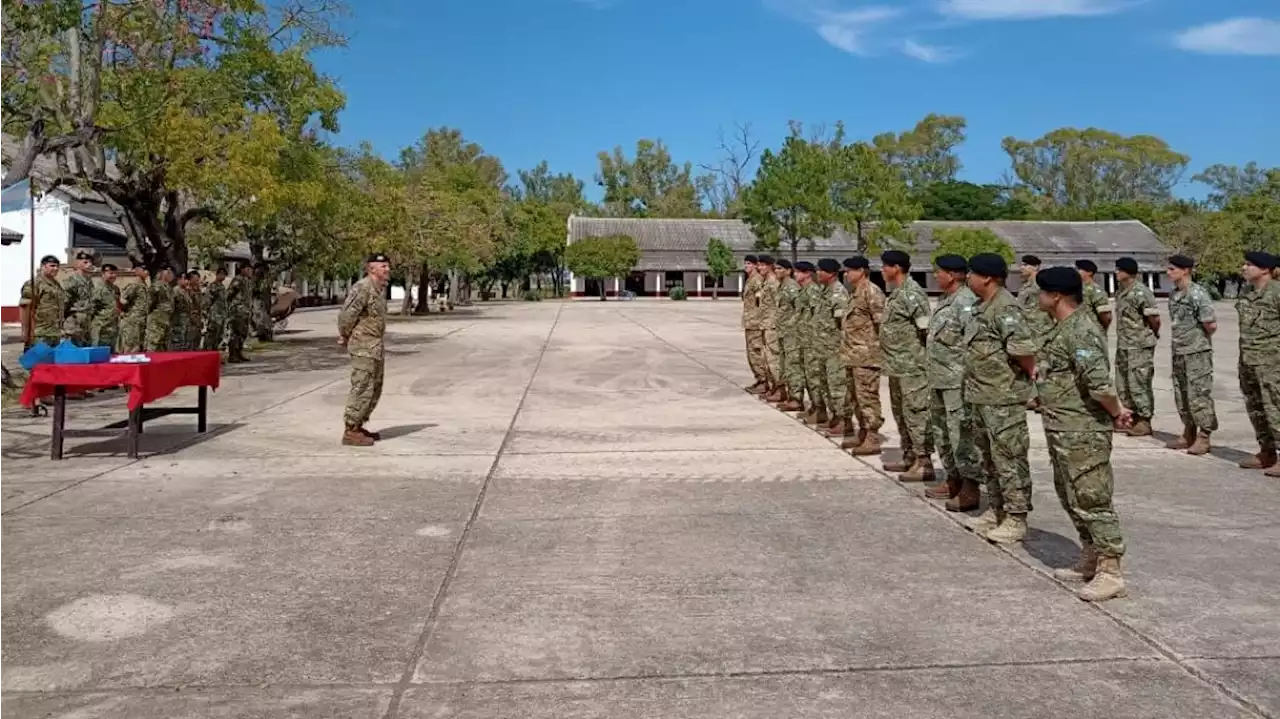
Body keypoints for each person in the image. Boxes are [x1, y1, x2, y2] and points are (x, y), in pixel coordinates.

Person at [1034, 266, 1131, 602]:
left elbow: (1100, 385)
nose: (1038, 297)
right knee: (1070, 496)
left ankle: (1111, 571)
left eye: (1042, 291)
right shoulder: (1059, 328)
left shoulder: (1081, 330)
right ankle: (1091, 556)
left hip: (1083, 430)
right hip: (1062, 426)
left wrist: (1117, 412)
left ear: (1056, 295)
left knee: (1093, 499)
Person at [964, 253, 1038, 544]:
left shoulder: (1006, 308)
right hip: (981, 395)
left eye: (972, 274)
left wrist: (1024, 387)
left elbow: (1024, 353)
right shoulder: (980, 307)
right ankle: (997, 509)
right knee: (990, 458)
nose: (968, 278)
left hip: (1003, 399)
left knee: (1009, 458)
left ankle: (1016, 517)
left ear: (988, 278)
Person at [924, 255, 982, 510]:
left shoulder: (966, 302)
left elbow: (974, 345)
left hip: (957, 381)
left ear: (952, 275)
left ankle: (970, 487)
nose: (936, 276)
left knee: (961, 435)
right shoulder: (946, 300)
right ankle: (953, 479)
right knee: (942, 432)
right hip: (938, 378)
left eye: (939, 272)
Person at [879, 250, 934, 481]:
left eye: (885, 266)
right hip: (896, 367)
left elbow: (926, 330)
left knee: (916, 414)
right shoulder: (896, 293)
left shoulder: (912, 294)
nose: (882, 271)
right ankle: (909, 456)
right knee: (901, 414)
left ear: (896, 268)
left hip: (912, 367)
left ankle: (924, 462)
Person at [1165, 254, 1217, 455]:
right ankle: (1189, 430)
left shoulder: (1198, 294)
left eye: (1172, 269)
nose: (1168, 272)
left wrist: (1198, 340)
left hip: (1197, 351)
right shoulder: (1174, 294)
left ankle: (1204, 435)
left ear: (1185, 270)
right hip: (1179, 350)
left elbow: (1210, 324)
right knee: (1181, 393)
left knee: (1199, 394)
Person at [338, 253, 390, 446]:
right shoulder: (363, 287)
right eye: (382, 266)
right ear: (371, 268)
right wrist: (344, 334)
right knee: (362, 386)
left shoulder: (378, 289)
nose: (387, 269)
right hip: (362, 346)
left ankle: (358, 424)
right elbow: (347, 315)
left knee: (375, 387)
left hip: (374, 346)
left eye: (387, 266)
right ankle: (350, 430)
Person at [1235, 251, 1280, 475]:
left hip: (1272, 361)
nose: (1244, 267)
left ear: (1265, 269)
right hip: (1248, 359)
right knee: (1256, 408)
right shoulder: (1245, 292)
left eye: (1249, 264)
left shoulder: (1277, 293)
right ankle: (1267, 451)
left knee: (1276, 408)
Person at [839, 256, 886, 454]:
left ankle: (873, 436)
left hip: (867, 356)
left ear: (861, 271)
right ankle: (863, 432)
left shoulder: (871, 292)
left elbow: (881, 324)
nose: (846, 273)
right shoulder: (855, 292)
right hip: (853, 355)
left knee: (867, 397)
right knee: (855, 397)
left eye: (849, 270)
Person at [1113, 257, 1160, 437]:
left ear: (1127, 272)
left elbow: (1154, 319)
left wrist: (1151, 334)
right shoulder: (1121, 292)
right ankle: (1129, 418)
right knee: (1123, 383)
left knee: (1139, 383)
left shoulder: (1141, 292)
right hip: (1125, 344)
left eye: (1119, 270)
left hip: (1139, 345)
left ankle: (1144, 420)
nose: (1116, 273)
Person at [813, 258, 848, 437]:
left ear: (832, 273)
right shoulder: (824, 292)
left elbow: (843, 325)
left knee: (837, 387)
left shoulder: (838, 294)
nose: (818, 273)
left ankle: (844, 421)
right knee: (826, 386)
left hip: (834, 349)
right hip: (822, 347)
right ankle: (834, 417)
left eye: (821, 270)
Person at [795, 261, 828, 426]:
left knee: (814, 377)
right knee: (808, 376)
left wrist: (816, 338)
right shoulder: (804, 291)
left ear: (807, 273)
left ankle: (820, 409)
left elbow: (817, 316)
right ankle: (815, 407)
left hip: (812, 340)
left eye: (798, 272)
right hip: (804, 338)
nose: (795, 275)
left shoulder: (813, 291)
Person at [774, 259, 804, 409]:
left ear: (788, 271)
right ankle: (787, 393)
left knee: (793, 365)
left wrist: (790, 325)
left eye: (780, 268)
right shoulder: (782, 286)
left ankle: (796, 398)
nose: (776, 271)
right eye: (776, 268)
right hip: (783, 332)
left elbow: (799, 309)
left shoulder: (792, 287)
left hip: (791, 333)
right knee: (784, 364)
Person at [20, 255, 67, 349]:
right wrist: (25, 331)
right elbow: (25, 307)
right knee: (38, 362)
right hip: (39, 333)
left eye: (57, 266)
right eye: (52, 266)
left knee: (51, 362)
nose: (56, 269)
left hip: (54, 333)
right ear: (43, 266)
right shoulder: (34, 283)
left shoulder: (57, 285)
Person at [758, 255, 783, 401]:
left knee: (774, 360)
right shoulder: (766, 282)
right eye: (759, 265)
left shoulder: (773, 283)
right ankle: (773, 387)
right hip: (765, 325)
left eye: (763, 265)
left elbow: (779, 305)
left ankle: (780, 389)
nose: (759, 268)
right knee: (767, 359)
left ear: (770, 266)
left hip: (772, 326)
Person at [1075, 259, 1113, 350]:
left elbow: (1106, 317)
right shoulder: (1077, 289)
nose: (1077, 271)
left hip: (1094, 336)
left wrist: (1100, 329)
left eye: (1080, 269)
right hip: (1080, 334)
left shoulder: (1096, 291)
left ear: (1089, 272)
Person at [62, 251, 96, 346]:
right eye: (85, 262)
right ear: (77, 264)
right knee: (72, 352)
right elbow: (64, 304)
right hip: (74, 322)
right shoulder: (71, 282)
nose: (89, 265)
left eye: (90, 262)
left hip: (86, 323)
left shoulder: (89, 281)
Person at [117, 262, 151, 353]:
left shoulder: (144, 285)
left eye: (147, 270)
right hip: (132, 321)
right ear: (136, 270)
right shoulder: (134, 285)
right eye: (143, 269)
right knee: (130, 347)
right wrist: (124, 314)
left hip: (141, 321)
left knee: (138, 347)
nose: (146, 272)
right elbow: (122, 301)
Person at [89, 263, 121, 349]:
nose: (113, 275)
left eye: (115, 273)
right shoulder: (97, 288)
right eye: (110, 273)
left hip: (113, 328)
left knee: (111, 355)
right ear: (103, 274)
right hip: (101, 328)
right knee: (98, 355)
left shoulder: (115, 289)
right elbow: (91, 308)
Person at [226, 264, 255, 363]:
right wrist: (233, 306)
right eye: (248, 269)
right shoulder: (238, 279)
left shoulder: (248, 281)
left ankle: (239, 353)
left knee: (243, 333)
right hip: (237, 310)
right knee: (236, 333)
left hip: (245, 311)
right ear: (242, 269)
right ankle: (233, 354)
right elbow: (229, 294)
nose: (250, 271)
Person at [145, 265, 176, 352]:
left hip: (165, 321)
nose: (172, 276)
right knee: (153, 345)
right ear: (165, 272)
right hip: (156, 320)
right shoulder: (156, 286)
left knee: (163, 346)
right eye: (170, 273)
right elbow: (150, 303)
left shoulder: (169, 287)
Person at [204, 268, 229, 351]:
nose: (223, 276)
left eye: (224, 275)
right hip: (214, 315)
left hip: (222, 316)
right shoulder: (213, 286)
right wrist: (207, 313)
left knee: (219, 336)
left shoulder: (222, 286)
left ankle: (214, 353)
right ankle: (207, 353)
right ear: (217, 274)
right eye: (221, 274)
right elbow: (208, 301)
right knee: (211, 335)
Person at [169, 272, 193, 351]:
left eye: (187, 279)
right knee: (177, 344)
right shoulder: (175, 291)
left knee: (184, 344)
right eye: (184, 279)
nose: (186, 281)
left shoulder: (186, 291)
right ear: (179, 279)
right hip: (177, 322)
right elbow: (171, 307)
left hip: (185, 322)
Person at [185, 271, 205, 351]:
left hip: (197, 320)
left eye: (198, 279)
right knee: (189, 343)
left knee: (196, 342)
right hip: (190, 321)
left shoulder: (198, 290)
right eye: (195, 279)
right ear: (190, 280)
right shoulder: (187, 291)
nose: (197, 281)